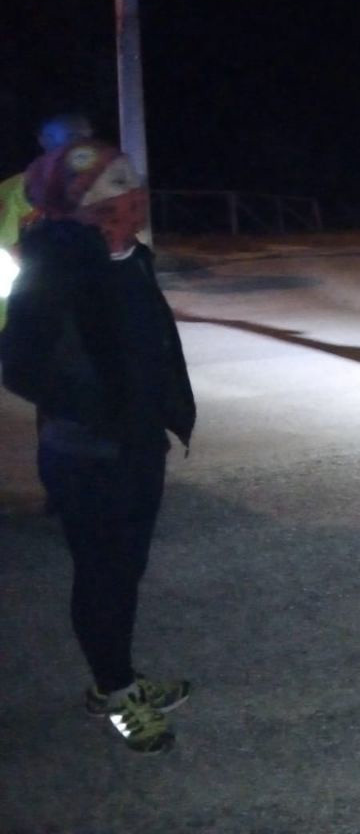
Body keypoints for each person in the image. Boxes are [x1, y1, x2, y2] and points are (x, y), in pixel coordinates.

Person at [0, 139, 197, 755]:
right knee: (103, 574)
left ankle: (117, 675)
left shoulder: (131, 255)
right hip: (89, 453)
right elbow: (21, 366)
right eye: (117, 186)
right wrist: (101, 412)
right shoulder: (57, 262)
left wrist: (164, 407)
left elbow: (148, 342)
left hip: (138, 443)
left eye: (132, 182)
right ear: (83, 204)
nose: (135, 195)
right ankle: (114, 692)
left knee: (125, 570)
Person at [0, 114, 94, 331]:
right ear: (44, 140)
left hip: (80, 319)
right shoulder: (15, 191)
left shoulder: (99, 191)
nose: (82, 144)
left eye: (87, 137)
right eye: (72, 136)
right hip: (25, 321)